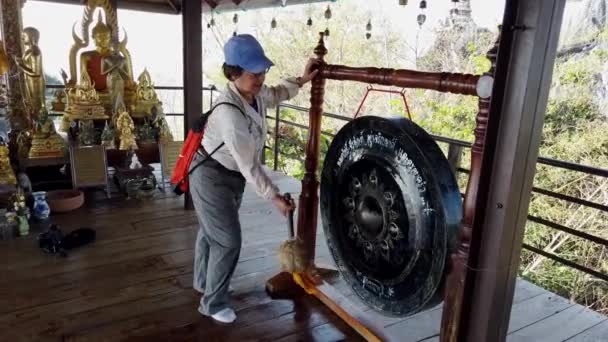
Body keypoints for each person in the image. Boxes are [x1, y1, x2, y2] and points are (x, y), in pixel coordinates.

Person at [190, 34, 319, 324]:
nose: (260, 78)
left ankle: (203, 281)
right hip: (210, 175)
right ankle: (212, 303)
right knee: (227, 240)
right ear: (234, 72)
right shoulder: (228, 114)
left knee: (212, 231)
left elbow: (275, 94)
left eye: (262, 71)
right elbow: (250, 166)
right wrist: (274, 196)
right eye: (253, 73)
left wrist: (302, 79)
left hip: (230, 176)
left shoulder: (255, 94)